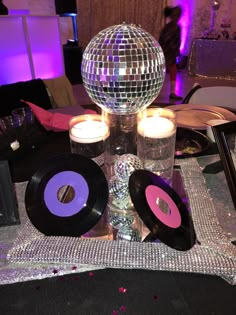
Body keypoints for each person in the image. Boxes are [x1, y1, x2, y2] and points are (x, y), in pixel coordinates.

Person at [159, 6, 182, 100]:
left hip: (166, 52)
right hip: (168, 52)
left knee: (169, 70)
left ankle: (172, 92)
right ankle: (172, 93)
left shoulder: (168, 27)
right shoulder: (174, 27)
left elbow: (163, 40)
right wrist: (174, 50)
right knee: (168, 70)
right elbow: (168, 41)